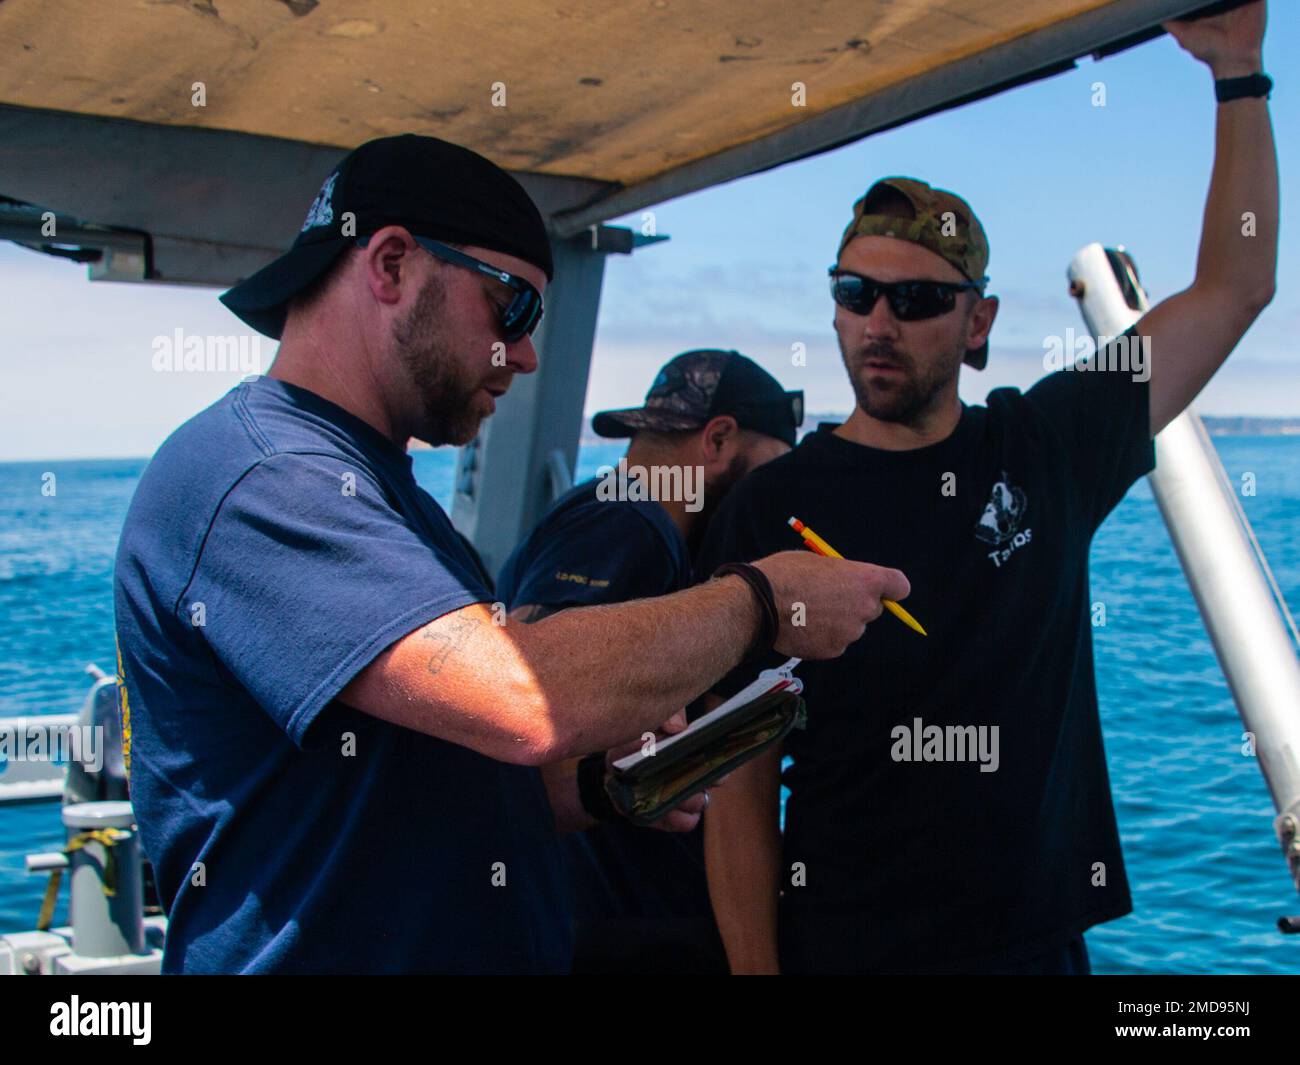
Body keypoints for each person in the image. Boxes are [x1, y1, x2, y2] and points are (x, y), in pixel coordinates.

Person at [112, 134, 910, 974]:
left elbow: (433, 781)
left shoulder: (389, 499)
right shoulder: (264, 478)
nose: (527, 355)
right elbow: (521, 697)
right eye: (514, 308)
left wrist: (603, 782)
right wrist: (763, 601)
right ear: (389, 266)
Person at [696, 3, 1277, 975]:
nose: (879, 321)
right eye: (854, 294)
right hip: (846, 948)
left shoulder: (1045, 445)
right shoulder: (768, 507)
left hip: (1032, 952)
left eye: (917, 299)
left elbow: (1234, 286)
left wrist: (1238, 71)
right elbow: (741, 784)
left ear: (978, 322)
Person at [497, 348, 801, 973]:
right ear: (718, 439)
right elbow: (527, 683)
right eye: (773, 472)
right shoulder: (625, 525)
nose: (773, 502)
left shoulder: (621, 519)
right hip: (622, 928)